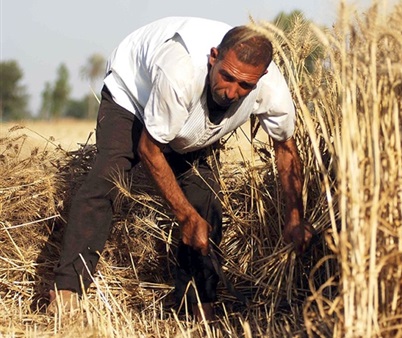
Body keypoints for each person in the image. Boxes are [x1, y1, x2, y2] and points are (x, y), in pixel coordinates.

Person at [49, 16, 314, 320]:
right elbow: (149, 149)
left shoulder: (271, 88)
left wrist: (295, 217)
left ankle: (198, 303)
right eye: (226, 76)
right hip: (134, 95)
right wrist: (184, 215)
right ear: (213, 57)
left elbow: (286, 149)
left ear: (261, 77)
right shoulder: (180, 70)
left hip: (186, 119)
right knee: (109, 176)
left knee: (206, 201)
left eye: (244, 85)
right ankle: (67, 290)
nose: (231, 92)